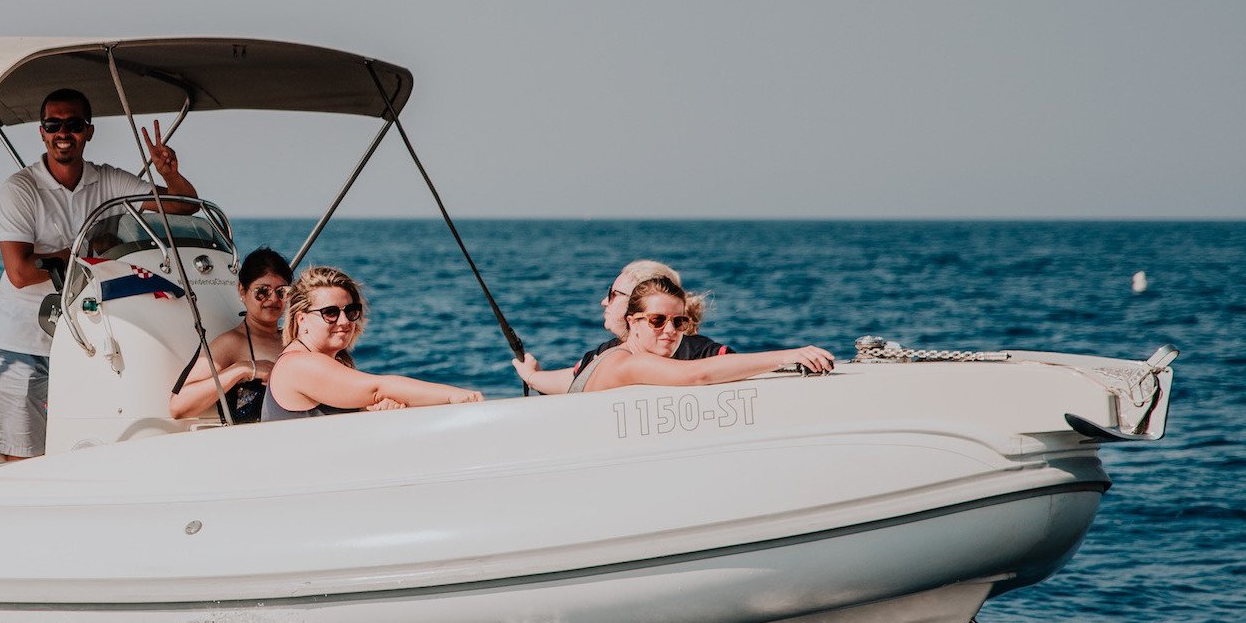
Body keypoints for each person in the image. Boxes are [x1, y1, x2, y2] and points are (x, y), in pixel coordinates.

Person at [0, 88, 198, 460]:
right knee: (22, 461)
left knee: (83, 454)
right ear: (42, 131)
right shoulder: (20, 188)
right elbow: (20, 272)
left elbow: (183, 207)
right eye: (53, 124)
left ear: (88, 130)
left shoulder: (109, 181)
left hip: (86, 343)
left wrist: (171, 174)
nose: (62, 132)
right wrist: (86, 250)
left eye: (73, 124)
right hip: (23, 345)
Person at [263, 266, 484, 420]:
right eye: (330, 313)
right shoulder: (299, 365)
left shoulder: (329, 364)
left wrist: (372, 411)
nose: (344, 321)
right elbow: (377, 389)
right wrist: (454, 396)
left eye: (351, 311)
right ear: (301, 319)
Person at [572, 276, 832, 393]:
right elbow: (698, 375)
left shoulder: (607, 358)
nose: (670, 330)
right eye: (657, 320)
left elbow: (564, 381)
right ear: (633, 322)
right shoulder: (628, 363)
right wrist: (788, 356)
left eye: (679, 322)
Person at [514, 259, 731, 394]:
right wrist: (532, 377)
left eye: (613, 294)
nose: (604, 302)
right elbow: (574, 380)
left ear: (637, 301)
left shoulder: (704, 353)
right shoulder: (604, 353)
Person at [170, 247, 291, 423]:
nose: (273, 299)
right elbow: (178, 406)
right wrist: (244, 369)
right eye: (262, 291)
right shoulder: (232, 343)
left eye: (281, 292)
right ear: (242, 290)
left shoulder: (294, 340)